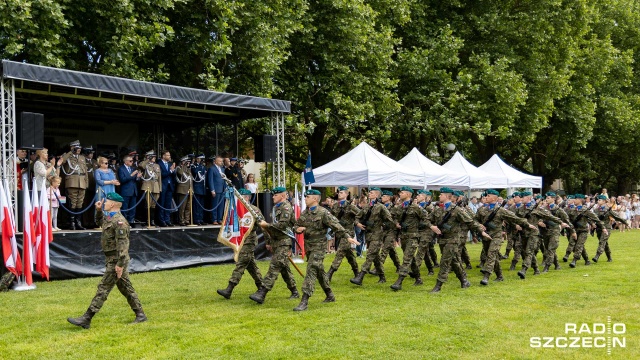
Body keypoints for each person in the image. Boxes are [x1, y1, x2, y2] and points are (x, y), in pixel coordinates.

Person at [67, 192, 147, 329]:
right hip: (112, 258)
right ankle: (140, 314)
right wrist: (98, 211)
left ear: (113, 204)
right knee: (126, 288)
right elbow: (99, 222)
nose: (105, 203)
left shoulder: (119, 222)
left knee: (103, 288)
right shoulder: (110, 218)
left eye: (107, 201)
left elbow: (123, 245)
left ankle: (87, 318)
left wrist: (120, 265)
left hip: (116, 259)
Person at [292, 189, 359, 311]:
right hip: (309, 247)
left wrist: (348, 237)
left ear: (315, 199)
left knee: (311, 269)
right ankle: (329, 294)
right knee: (319, 271)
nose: (305, 199)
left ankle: (304, 300)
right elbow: (296, 225)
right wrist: (297, 229)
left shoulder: (323, 213)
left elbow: (336, 225)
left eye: (308, 197)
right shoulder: (304, 213)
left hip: (319, 247)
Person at [428, 187, 490, 293]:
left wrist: (481, 231)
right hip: (442, 239)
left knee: (445, 261)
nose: (439, 196)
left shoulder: (456, 209)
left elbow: (470, 221)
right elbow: (427, 219)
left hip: (453, 239)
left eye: (441, 194)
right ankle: (464, 280)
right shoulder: (438, 209)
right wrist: (431, 226)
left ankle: (438, 285)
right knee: (454, 261)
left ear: (447, 196)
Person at [249, 187, 299, 305]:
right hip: (276, 242)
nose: (272, 197)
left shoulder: (286, 207)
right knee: (284, 268)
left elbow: (282, 225)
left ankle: (262, 292)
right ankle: (295, 291)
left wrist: (267, 225)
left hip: (284, 242)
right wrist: (270, 242)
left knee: (275, 266)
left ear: (282, 196)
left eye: (275, 195)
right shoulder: (276, 207)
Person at [474, 189, 535, 285]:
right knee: (492, 256)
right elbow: (474, 220)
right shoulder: (481, 209)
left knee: (491, 254)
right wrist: (479, 226)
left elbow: (515, 218)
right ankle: (500, 276)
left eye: (488, 196)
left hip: (496, 236)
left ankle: (486, 276)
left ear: (494, 198)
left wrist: (527, 224)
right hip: (486, 236)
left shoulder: (501, 210)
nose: (486, 197)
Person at [217, 188, 264, 299]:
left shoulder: (254, 210)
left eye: (240, 197)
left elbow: (262, 224)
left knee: (241, 264)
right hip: (241, 241)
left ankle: (229, 289)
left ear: (246, 198)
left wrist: (269, 241)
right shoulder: (236, 209)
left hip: (249, 241)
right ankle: (262, 286)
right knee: (251, 266)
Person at [514, 192, 565, 279]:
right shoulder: (520, 209)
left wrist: (561, 222)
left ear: (529, 198)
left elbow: (549, 216)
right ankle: (536, 269)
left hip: (533, 233)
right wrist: (516, 225)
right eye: (521, 197)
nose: (521, 198)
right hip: (523, 233)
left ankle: (524, 269)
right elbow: (515, 218)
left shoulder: (537, 209)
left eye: (523, 197)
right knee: (527, 252)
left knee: (529, 251)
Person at [389, 187, 426, 291]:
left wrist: (419, 227)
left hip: (413, 237)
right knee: (411, 259)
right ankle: (418, 278)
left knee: (406, 259)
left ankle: (399, 281)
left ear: (408, 195)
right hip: (404, 237)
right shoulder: (400, 206)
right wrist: (396, 223)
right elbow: (391, 215)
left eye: (402, 192)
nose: (400, 193)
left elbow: (426, 218)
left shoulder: (415, 207)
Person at [326, 186, 361, 282]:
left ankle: (329, 273)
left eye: (341, 192)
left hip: (348, 233)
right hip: (339, 233)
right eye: (339, 192)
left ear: (346, 194)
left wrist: (356, 222)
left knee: (340, 252)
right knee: (349, 254)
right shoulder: (336, 206)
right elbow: (332, 218)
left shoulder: (351, 206)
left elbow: (361, 214)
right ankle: (357, 273)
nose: (339, 194)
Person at [58, 140, 89, 230]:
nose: (78, 149)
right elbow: (61, 161)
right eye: (76, 148)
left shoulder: (82, 157)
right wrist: (71, 152)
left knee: (80, 203)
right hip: (72, 182)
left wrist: (86, 183)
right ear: (72, 147)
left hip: (82, 182)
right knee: (72, 202)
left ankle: (78, 222)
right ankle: (72, 222)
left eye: (79, 148)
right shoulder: (67, 156)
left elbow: (85, 171)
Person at [592, 194, 628, 262]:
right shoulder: (596, 209)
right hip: (599, 228)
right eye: (598, 200)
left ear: (604, 201)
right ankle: (609, 257)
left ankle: (597, 255)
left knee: (602, 242)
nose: (598, 201)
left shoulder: (608, 209)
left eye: (599, 200)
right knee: (604, 243)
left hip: (607, 228)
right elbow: (593, 218)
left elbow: (617, 217)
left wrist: (625, 222)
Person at [138, 150, 162, 227]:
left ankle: (152, 220)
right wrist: (147, 159)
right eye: (153, 157)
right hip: (147, 185)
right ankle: (146, 220)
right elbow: (142, 166)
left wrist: (160, 188)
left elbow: (159, 178)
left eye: (154, 157)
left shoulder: (157, 165)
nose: (154, 158)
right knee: (147, 204)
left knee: (153, 205)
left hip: (155, 186)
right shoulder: (144, 164)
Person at [117, 155, 141, 224]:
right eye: (130, 161)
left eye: (132, 161)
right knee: (125, 207)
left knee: (133, 207)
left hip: (133, 190)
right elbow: (122, 180)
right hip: (125, 191)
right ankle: (124, 221)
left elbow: (135, 179)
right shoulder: (121, 169)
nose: (132, 162)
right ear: (126, 161)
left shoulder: (133, 168)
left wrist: (137, 177)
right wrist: (131, 175)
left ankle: (131, 221)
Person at [206, 156, 226, 225]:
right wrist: (212, 190)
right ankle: (214, 219)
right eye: (220, 161)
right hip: (216, 189)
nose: (221, 162)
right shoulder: (212, 169)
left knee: (221, 205)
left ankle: (219, 219)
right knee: (215, 205)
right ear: (216, 161)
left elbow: (224, 180)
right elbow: (210, 180)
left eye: (222, 161)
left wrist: (225, 188)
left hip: (222, 189)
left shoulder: (222, 169)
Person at [158, 150, 176, 226]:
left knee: (168, 204)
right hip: (163, 185)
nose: (169, 156)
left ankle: (167, 220)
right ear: (163, 156)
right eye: (168, 155)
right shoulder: (159, 164)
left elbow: (173, 174)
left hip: (169, 185)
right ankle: (162, 220)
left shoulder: (170, 164)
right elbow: (161, 175)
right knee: (162, 203)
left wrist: (173, 171)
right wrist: (170, 171)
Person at [175, 155, 193, 226]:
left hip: (189, 190)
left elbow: (191, 180)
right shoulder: (179, 168)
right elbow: (180, 173)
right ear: (182, 162)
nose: (188, 163)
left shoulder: (188, 169)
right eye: (186, 161)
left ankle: (187, 220)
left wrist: (192, 190)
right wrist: (183, 165)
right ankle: (181, 220)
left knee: (188, 207)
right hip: (182, 190)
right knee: (182, 207)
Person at [191, 154, 207, 225]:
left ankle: (201, 219)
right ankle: (196, 219)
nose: (201, 160)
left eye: (202, 159)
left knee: (201, 205)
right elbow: (195, 172)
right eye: (200, 159)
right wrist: (199, 165)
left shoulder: (203, 166)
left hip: (202, 188)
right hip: (197, 187)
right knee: (196, 205)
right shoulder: (194, 166)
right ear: (197, 159)